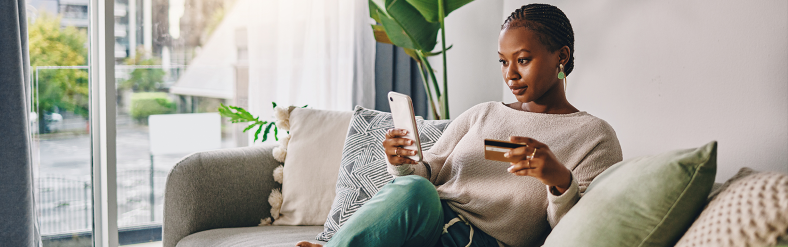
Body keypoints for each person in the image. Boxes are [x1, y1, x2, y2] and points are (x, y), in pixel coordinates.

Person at [297, 3, 622, 247]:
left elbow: (579, 232)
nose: (510, 74)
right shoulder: (484, 113)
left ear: (561, 57)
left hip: (482, 240)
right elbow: (426, 177)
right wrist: (404, 163)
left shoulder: (593, 136)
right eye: (503, 61)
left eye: (522, 59)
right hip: (428, 223)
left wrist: (559, 180)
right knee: (415, 187)